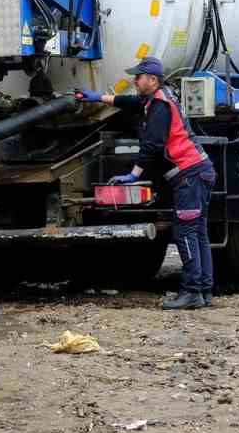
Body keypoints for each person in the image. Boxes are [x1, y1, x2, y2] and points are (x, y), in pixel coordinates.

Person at [76, 58, 216, 310]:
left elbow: (152, 145)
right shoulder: (158, 97)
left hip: (188, 174)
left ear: (152, 80)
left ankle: (192, 292)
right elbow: (128, 102)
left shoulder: (160, 106)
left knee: (185, 233)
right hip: (198, 171)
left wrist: (133, 174)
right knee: (198, 233)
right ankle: (203, 290)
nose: (134, 80)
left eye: (138, 77)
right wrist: (98, 97)